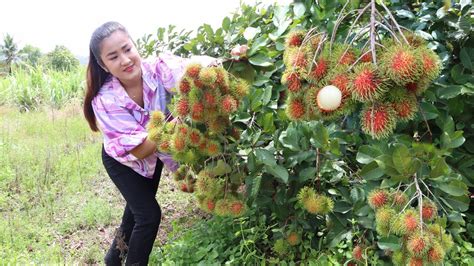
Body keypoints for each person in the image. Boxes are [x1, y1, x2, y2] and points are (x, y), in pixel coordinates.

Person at [83, 21, 217, 265]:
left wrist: (219, 64)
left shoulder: (157, 69)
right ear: (104, 65)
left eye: (127, 49)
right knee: (148, 215)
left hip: (152, 157)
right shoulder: (105, 101)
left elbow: (190, 69)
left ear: (135, 46)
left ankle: (113, 260)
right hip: (123, 161)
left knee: (133, 216)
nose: (124, 60)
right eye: (113, 57)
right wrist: (177, 121)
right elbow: (140, 149)